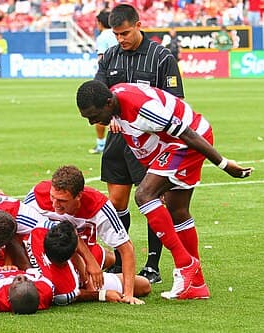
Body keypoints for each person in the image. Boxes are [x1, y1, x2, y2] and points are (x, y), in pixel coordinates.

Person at [76, 80, 254, 299]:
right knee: (177, 210)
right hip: (172, 144)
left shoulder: (144, 110)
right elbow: (143, 145)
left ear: (108, 102)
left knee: (143, 195)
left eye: (93, 116)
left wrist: (225, 165)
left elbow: (188, 134)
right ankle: (196, 285)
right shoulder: (116, 106)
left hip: (188, 141)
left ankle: (185, 263)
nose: (92, 122)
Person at [94, 4, 184, 283]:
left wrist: (147, 124)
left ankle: (152, 266)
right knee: (117, 202)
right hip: (118, 139)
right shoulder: (110, 56)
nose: (121, 39)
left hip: (149, 142)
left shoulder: (161, 57)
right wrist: (109, 118)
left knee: (150, 201)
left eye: (125, 33)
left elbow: (175, 100)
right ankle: (121, 260)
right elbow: (98, 93)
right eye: (117, 34)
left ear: (138, 24)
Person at [23, 165, 143, 304]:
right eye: (52, 197)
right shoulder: (37, 195)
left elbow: (126, 248)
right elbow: (17, 229)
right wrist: (101, 293)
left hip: (87, 251)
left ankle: (106, 260)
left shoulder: (100, 208)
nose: (55, 205)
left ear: (79, 195)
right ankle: (98, 266)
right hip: (57, 255)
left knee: (143, 286)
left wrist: (128, 294)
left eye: (62, 201)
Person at [26, 220, 151, 305]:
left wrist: (89, 262)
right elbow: (78, 294)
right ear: (74, 251)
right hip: (81, 281)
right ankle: (109, 261)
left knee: (107, 257)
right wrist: (101, 295)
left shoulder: (38, 233)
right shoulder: (64, 290)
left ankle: (109, 259)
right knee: (144, 285)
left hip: (82, 267)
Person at [89, 9, 117, 155]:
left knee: (100, 109)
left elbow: (102, 59)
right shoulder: (117, 33)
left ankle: (101, 144)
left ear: (100, 23)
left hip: (108, 78)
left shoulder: (102, 37)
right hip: (121, 76)